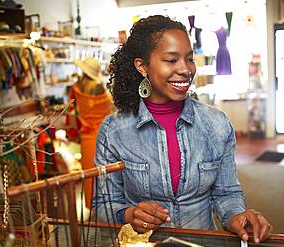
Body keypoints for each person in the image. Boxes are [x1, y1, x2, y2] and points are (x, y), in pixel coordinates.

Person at [93, 15, 272, 243]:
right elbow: (102, 205)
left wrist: (237, 215)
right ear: (142, 66)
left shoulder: (217, 124)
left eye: (189, 59)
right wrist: (129, 214)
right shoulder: (114, 132)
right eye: (171, 60)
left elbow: (227, 193)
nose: (186, 70)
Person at [70, 56, 113, 208]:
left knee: (89, 177)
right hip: (104, 138)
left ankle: (92, 208)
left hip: (87, 138)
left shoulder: (76, 90)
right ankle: (107, 211)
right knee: (106, 176)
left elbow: (72, 114)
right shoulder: (103, 91)